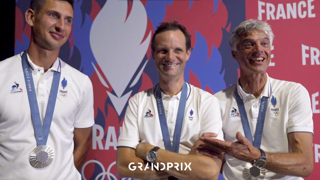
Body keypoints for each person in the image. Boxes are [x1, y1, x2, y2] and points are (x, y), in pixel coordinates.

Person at [200, 19, 314, 180]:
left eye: (264, 43)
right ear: (234, 54)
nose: (259, 50)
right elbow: (210, 158)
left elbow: (305, 165)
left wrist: (256, 156)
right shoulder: (216, 101)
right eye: (249, 45)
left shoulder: (293, 93)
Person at [116, 21, 223, 180]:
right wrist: (188, 163)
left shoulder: (207, 102)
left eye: (178, 50)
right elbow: (125, 166)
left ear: (188, 53)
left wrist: (148, 151)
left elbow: (209, 171)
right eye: (163, 51)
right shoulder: (138, 102)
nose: (170, 57)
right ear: (153, 54)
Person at [0, 0, 94, 179]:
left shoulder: (81, 83)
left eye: (68, 20)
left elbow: (83, 144)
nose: (61, 26)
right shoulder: (2, 74)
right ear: (30, 17)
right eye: (53, 15)